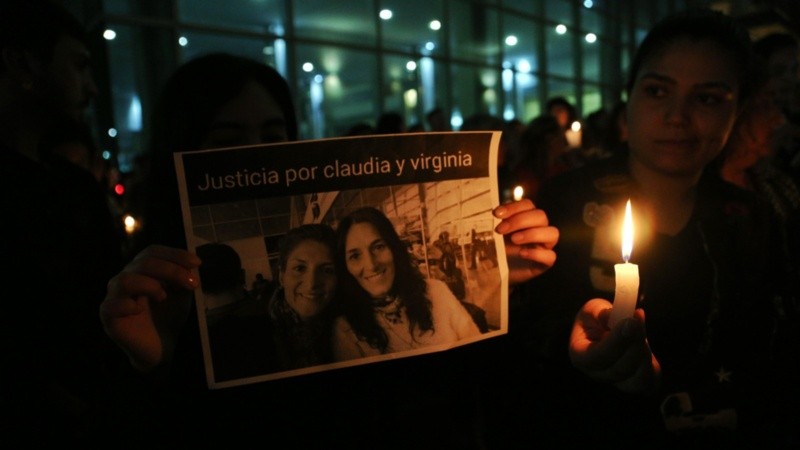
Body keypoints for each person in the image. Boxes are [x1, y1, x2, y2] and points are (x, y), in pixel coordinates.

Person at [100, 49, 560, 446]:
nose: (257, 155)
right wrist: (155, 364)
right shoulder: (160, 295)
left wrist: (503, 285)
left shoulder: (367, 310)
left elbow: (460, 394)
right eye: (227, 142)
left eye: (273, 137)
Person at [510, 8, 798, 448]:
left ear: (737, 110)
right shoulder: (562, 203)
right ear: (630, 100)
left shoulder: (751, 217)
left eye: (707, 98)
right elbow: (524, 337)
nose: (677, 116)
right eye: (658, 91)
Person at [0, 0, 127, 444]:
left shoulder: (73, 185)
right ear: (21, 63)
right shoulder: (64, 188)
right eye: (79, 65)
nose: (92, 88)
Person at [331, 207, 481, 360]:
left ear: (394, 248)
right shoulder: (345, 330)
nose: (371, 265)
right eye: (355, 256)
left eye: (378, 247)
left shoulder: (436, 291)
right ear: (345, 266)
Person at [206, 224, 339, 382]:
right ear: (282, 276)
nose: (312, 283)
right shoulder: (232, 340)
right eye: (299, 268)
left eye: (327, 270)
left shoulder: (349, 332)